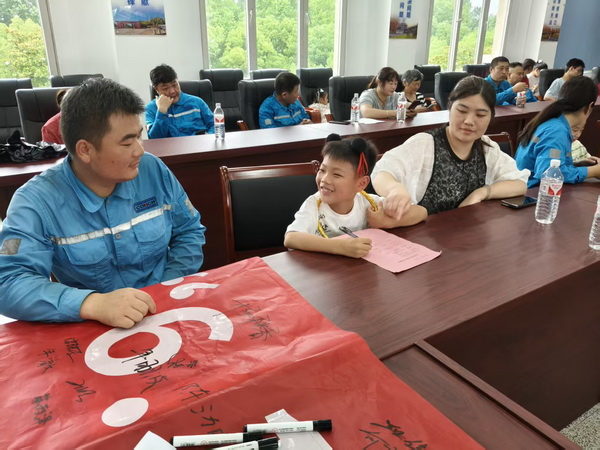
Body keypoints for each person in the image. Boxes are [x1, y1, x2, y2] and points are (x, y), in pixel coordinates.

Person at [0, 78, 206, 328]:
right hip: (92, 325)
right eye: (127, 143)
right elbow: (8, 282)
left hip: (163, 308)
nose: (139, 151)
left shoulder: (153, 170)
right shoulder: (35, 202)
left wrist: (166, 286)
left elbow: (189, 231)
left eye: (139, 137)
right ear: (85, 150)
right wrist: (92, 304)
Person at [372, 76, 529, 217]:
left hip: (467, 233)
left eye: (480, 115)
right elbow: (382, 172)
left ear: (491, 117)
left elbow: (519, 184)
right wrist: (395, 190)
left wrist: (481, 193)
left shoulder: (487, 148)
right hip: (422, 236)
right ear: (450, 108)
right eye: (462, 111)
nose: (469, 121)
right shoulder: (426, 144)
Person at [284, 134, 426, 258]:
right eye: (322, 170)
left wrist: (384, 221)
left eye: (336, 174)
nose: (324, 179)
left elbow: (421, 212)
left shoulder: (369, 203)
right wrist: (339, 246)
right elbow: (291, 238)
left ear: (361, 183)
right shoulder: (314, 204)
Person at [515, 76, 600, 187]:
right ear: (589, 107)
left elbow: (551, 164)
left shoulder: (554, 123)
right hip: (532, 192)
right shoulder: (556, 131)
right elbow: (549, 174)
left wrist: (577, 165)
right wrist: (594, 171)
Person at [145, 64, 214, 138]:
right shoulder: (151, 109)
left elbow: (215, 125)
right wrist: (161, 112)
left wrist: (208, 137)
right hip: (170, 145)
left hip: (199, 143)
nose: (172, 91)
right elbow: (154, 139)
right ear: (156, 89)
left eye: (175, 85)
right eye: (165, 88)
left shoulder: (197, 102)